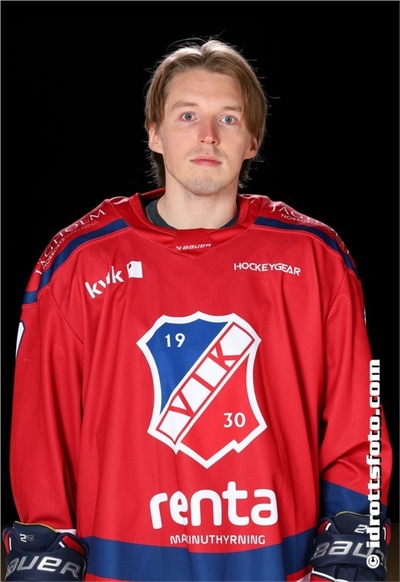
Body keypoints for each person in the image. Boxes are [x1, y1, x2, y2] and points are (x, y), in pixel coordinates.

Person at [3, 37, 393, 582]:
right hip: (120, 568)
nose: (208, 135)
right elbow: (42, 430)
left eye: (228, 118)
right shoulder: (78, 261)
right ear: (154, 132)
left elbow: (360, 422)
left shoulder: (314, 257)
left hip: (275, 567)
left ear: (253, 139)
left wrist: (354, 539)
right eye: (187, 115)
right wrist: (44, 549)